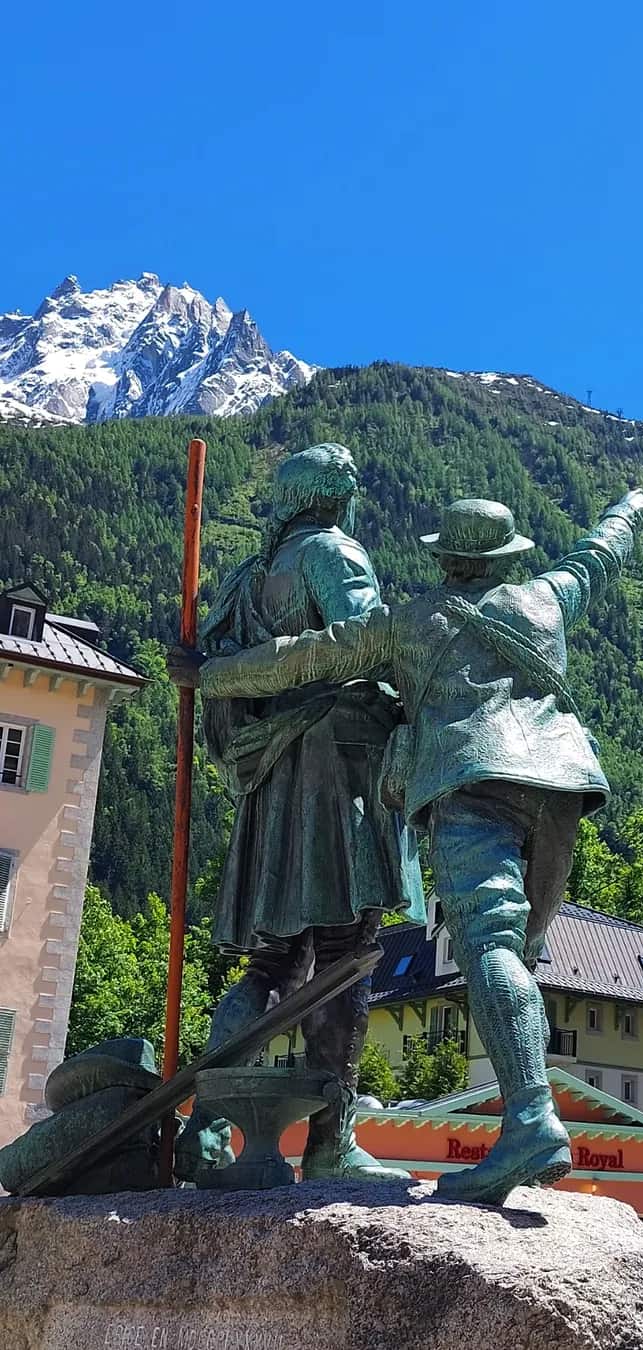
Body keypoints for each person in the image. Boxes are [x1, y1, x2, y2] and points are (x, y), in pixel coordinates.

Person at [177, 489, 643, 1203]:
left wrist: (208, 675)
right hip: (563, 787)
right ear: (508, 556)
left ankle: (530, 1120)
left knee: (489, 944)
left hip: (471, 783)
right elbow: (599, 552)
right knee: (518, 951)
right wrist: (633, 507)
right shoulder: (550, 596)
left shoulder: (407, 623)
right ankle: (526, 1119)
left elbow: (299, 660)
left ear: (447, 559)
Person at [172, 443, 425, 1183]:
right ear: (334, 498)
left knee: (275, 960)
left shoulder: (250, 578)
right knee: (347, 959)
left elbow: (219, 682)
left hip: (274, 772)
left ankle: (207, 1129)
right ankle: (330, 1143)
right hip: (337, 769)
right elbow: (363, 644)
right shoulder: (334, 553)